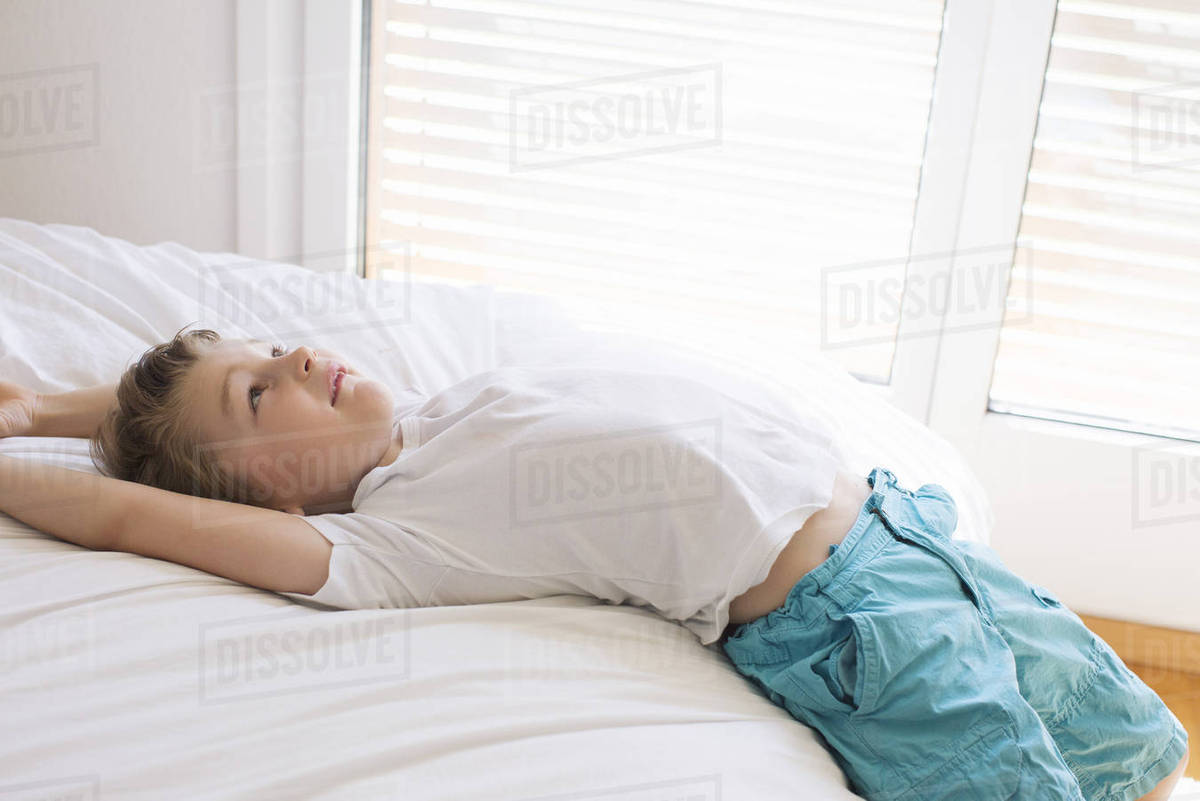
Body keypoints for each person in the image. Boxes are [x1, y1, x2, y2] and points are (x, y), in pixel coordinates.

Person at [0, 327, 1188, 801]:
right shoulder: (391, 541)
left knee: (1136, 747)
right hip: (857, 630)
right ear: (266, 484)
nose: (296, 353)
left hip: (916, 541)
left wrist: (46, 401)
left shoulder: (435, 406)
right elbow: (126, 516)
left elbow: (182, 379)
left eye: (276, 350)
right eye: (265, 393)